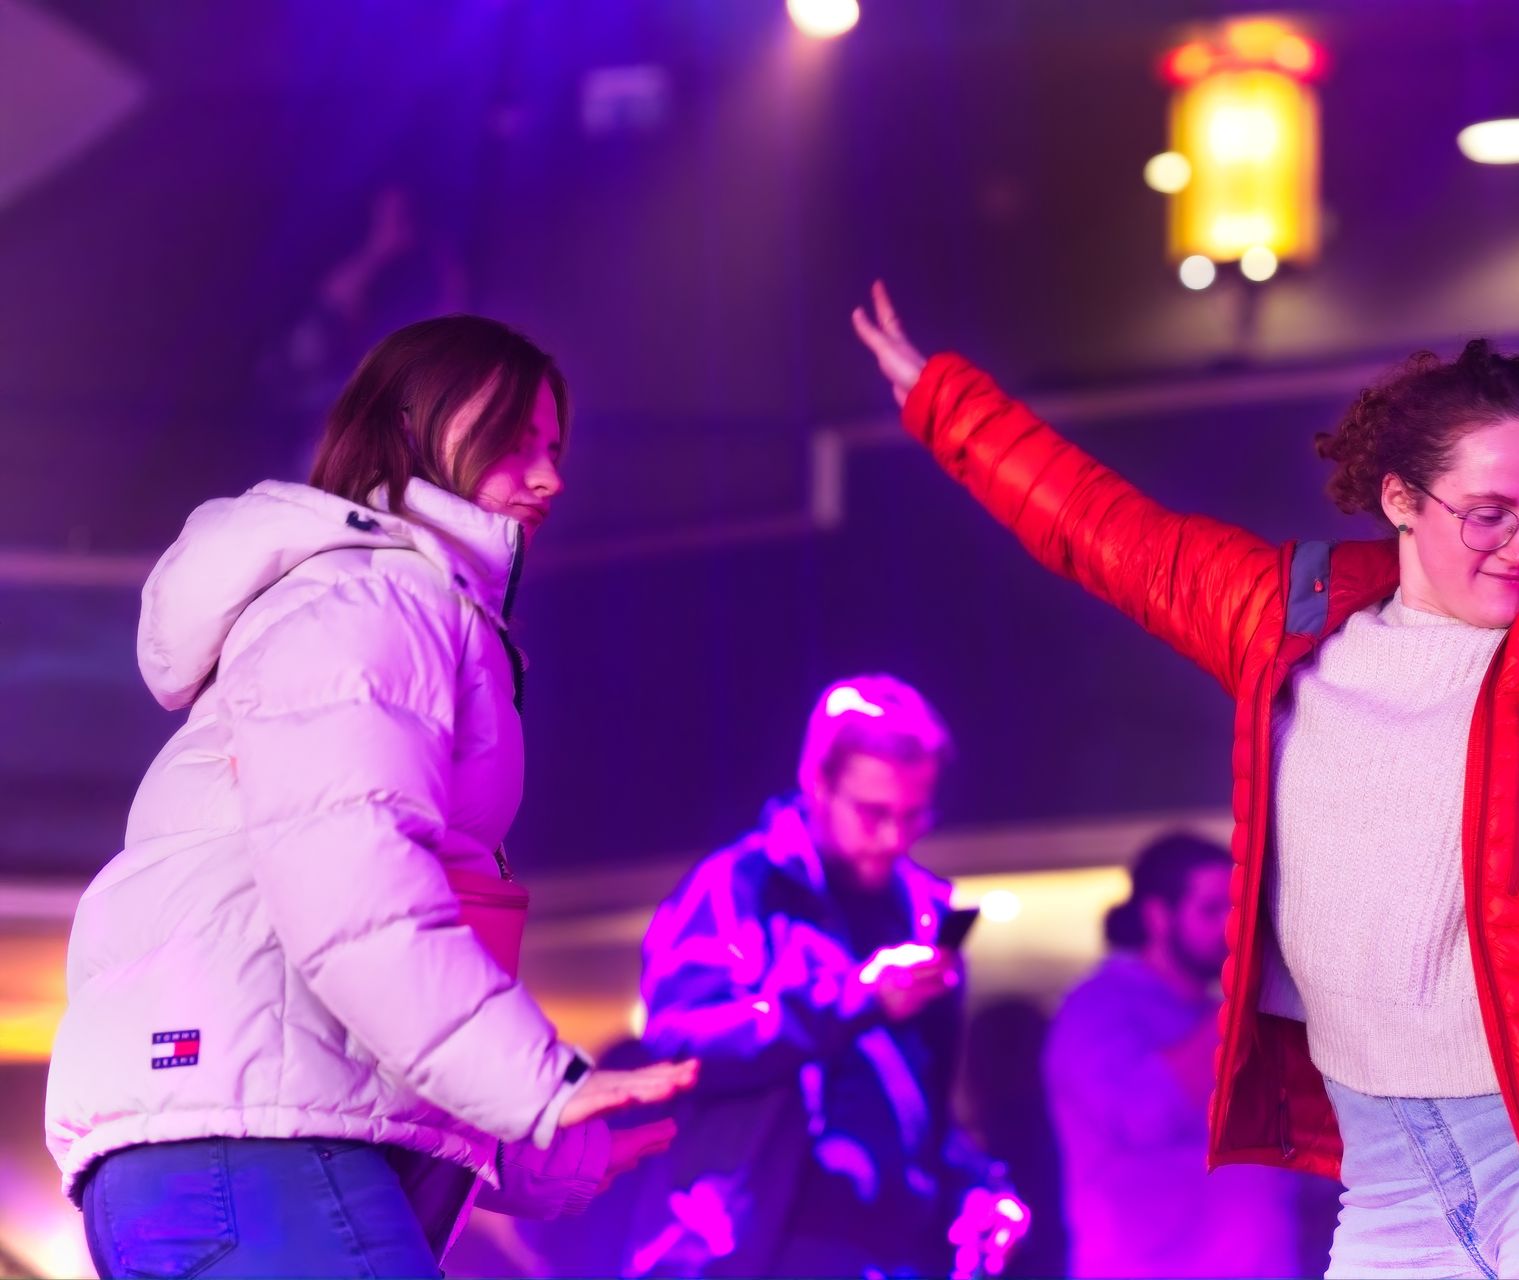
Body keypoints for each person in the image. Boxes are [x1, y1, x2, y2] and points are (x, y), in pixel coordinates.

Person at [853, 283, 1519, 1280]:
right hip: (1387, 1178)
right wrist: (941, 402)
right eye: (1489, 514)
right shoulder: (1282, 619)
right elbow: (1102, 531)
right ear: (1401, 498)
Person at [45, 315, 698, 1278]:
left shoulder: (370, 601)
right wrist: (537, 1085)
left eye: (555, 448)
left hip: (223, 1150)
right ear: (415, 422)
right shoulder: (377, 598)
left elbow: (357, 971)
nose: (549, 475)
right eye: (516, 439)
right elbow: (356, 893)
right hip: (257, 1159)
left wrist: (552, 1145)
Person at [625, 675, 1031, 1279]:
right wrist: (854, 996)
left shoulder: (920, 912)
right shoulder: (739, 888)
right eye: (873, 814)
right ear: (818, 784)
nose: (894, 838)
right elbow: (678, 1049)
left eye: (914, 815)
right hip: (761, 1257)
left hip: (894, 1258)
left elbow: (917, 1110)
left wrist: (976, 1189)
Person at [1046, 833, 1340, 1278]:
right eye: (1211, 910)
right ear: (1158, 917)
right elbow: (1144, 1114)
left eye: (1237, 909)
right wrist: (1243, 998)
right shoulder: (1096, 1007)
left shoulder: (1227, 1015)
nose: (1231, 927)